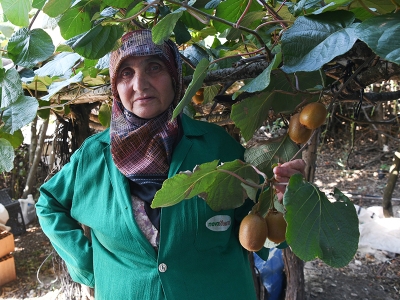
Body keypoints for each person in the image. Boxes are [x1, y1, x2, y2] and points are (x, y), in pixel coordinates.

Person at [36, 29, 306, 300]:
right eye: (126, 72)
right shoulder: (93, 157)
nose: (140, 84)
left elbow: (266, 233)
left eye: (154, 67)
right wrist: (88, 265)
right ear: (114, 85)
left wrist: (284, 202)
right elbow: (48, 203)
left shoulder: (217, 147)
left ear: (175, 77)